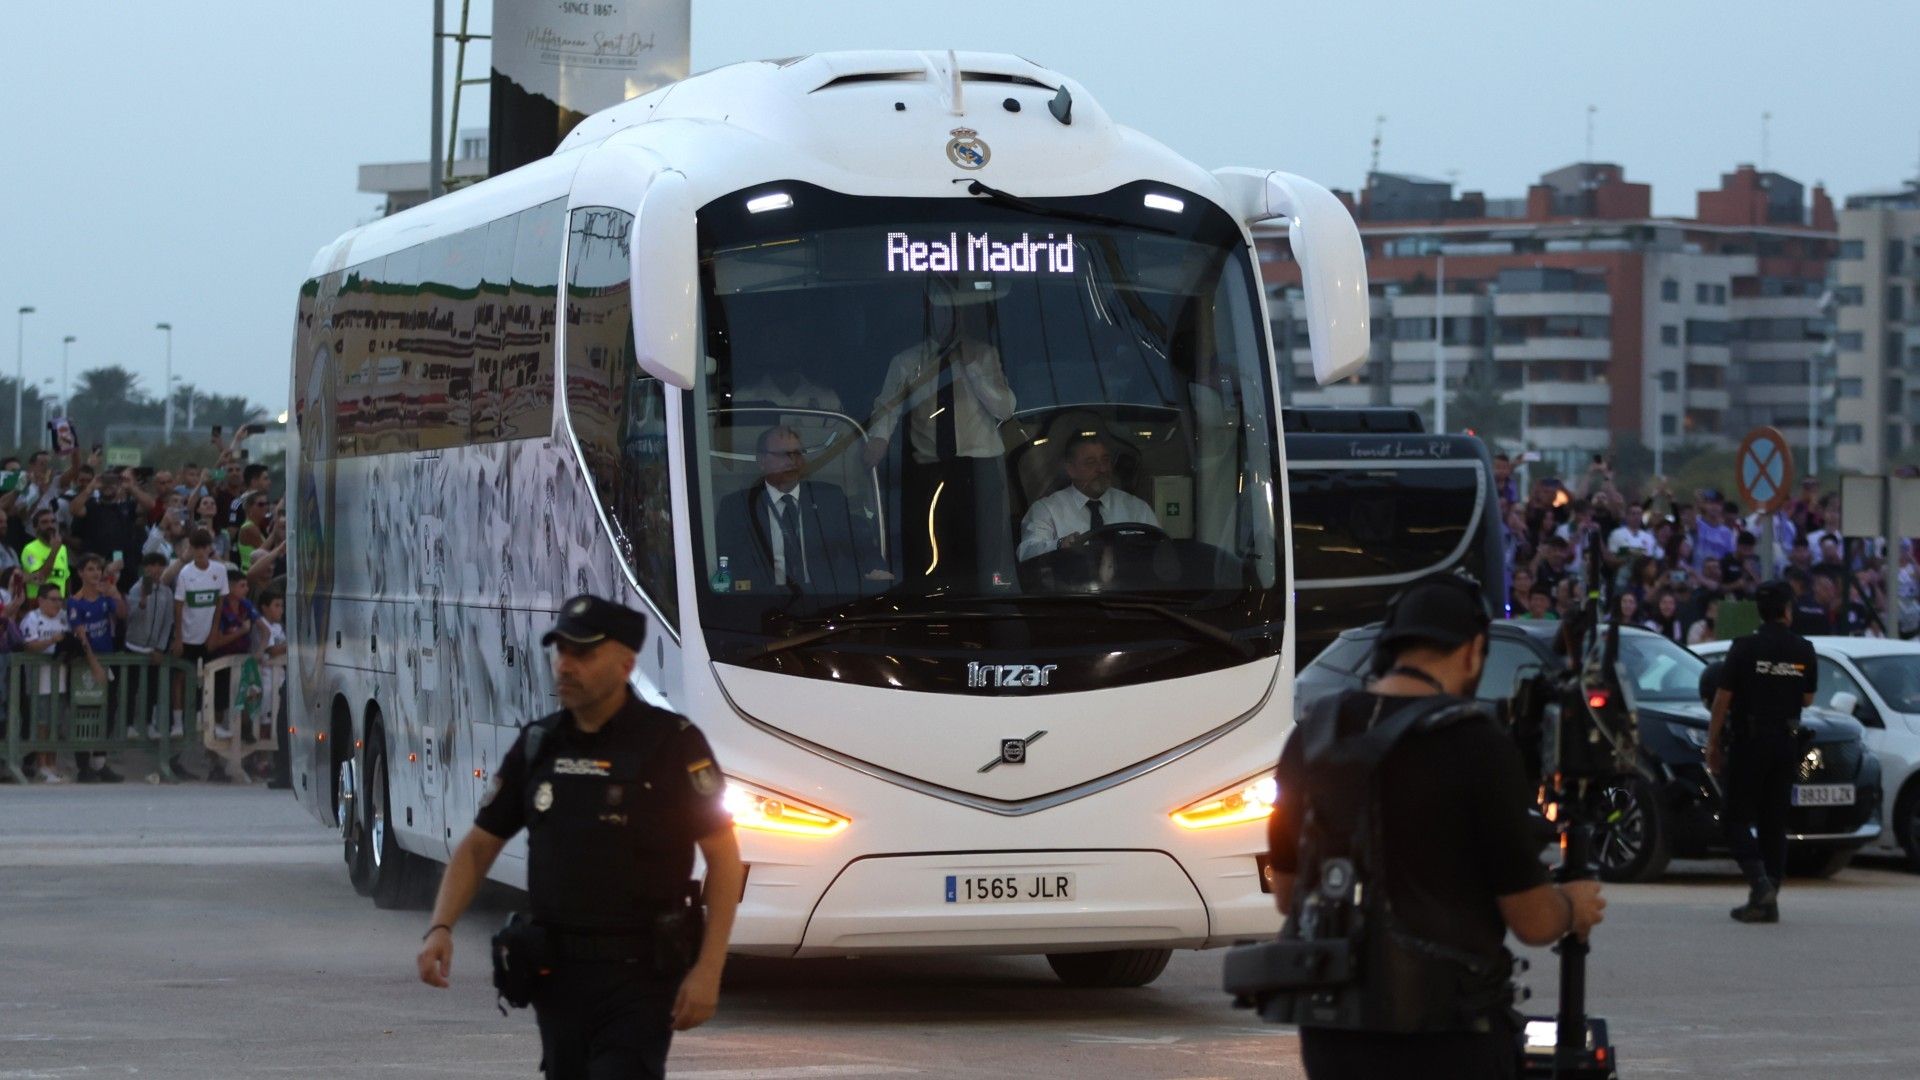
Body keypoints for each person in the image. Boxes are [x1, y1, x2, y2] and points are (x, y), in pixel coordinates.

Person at [1267, 575, 1605, 1078]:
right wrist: (1572, 904)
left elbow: (1288, 896)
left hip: (1333, 1033)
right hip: (1447, 1033)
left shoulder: (1314, 733)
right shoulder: (1476, 743)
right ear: (1473, 651)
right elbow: (1533, 922)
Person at [415, 595, 744, 1080]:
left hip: (641, 974)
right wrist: (440, 926)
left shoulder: (672, 743)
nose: (565, 666)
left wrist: (709, 969)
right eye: (561, 652)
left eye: (583, 654)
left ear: (626, 663)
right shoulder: (539, 743)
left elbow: (724, 858)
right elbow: (480, 844)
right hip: (556, 973)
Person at [862, 283, 1018, 590]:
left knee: (981, 545)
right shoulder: (907, 361)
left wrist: (971, 364)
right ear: (930, 315)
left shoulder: (985, 356)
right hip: (930, 466)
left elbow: (1005, 409)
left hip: (979, 466)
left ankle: (983, 600)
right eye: (942, 312)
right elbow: (887, 406)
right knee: (930, 543)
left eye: (954, 312)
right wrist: (878, 440)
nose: (948, 318)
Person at [1707, 582, 1817, 923]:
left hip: (1750, 741)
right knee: (1774, 822)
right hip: (1786, 742)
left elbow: (1722, 698)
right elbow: (1807, 699)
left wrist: (1712, 744)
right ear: (1787, 610)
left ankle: (1760, 883)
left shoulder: (1744, 647)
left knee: (1734, 818)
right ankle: (1769, 897)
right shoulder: (1804, 649)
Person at [713, 426, 891, 595]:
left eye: (797, 453)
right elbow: (725, 561)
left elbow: (858, 541)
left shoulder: (829, 498)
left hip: (823, 601)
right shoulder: (737, 506)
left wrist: (876, 568)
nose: (792, 460)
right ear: (762, 461)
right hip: (762, 602)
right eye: (783, 454)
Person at [1016, 432, 1158, 561]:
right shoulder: (1047, 510)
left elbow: (1161, 553)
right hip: (1068, 588)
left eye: (1105, 460)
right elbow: (1027, 553)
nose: (1102, 469)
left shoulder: (1137, 508)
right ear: (1071, 469)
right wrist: (1059, 545)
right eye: (1091, 462)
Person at [65, 554, 127, 783]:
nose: (96, 573)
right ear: (81, 573)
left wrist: (116, 594)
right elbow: (80, 635)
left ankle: (100, 763)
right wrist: (94, 665)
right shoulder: (75, 602)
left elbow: (121, 614)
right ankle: (83, 766)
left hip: (107, 660)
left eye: (98, 569)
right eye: (90, 569)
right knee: (84, 710)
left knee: (108, 711)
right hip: (86, 664)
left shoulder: (104, 598)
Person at [124, 552, 179, 742]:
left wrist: (160, 648)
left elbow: (168, 622)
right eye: (152, 566)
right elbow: (129, 617)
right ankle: (128, 725)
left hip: (153, 650)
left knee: (151, 689)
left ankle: (148, 724)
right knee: (131, 689)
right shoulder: (136, 589)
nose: (156, 570)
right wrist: (141, 602)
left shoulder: (167, 592)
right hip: (133, 646)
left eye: (160, 566)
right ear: (145, 568)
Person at [20, 509, 72, 598]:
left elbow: (65, 577)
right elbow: (41, 577)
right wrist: (54, 551)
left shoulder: (62, 548)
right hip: (38, 604)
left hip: (58, 604)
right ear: (35, 527)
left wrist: (68, 600)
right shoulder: (29, 549)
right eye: (45, 522)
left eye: (53, 521)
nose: (50, 525)